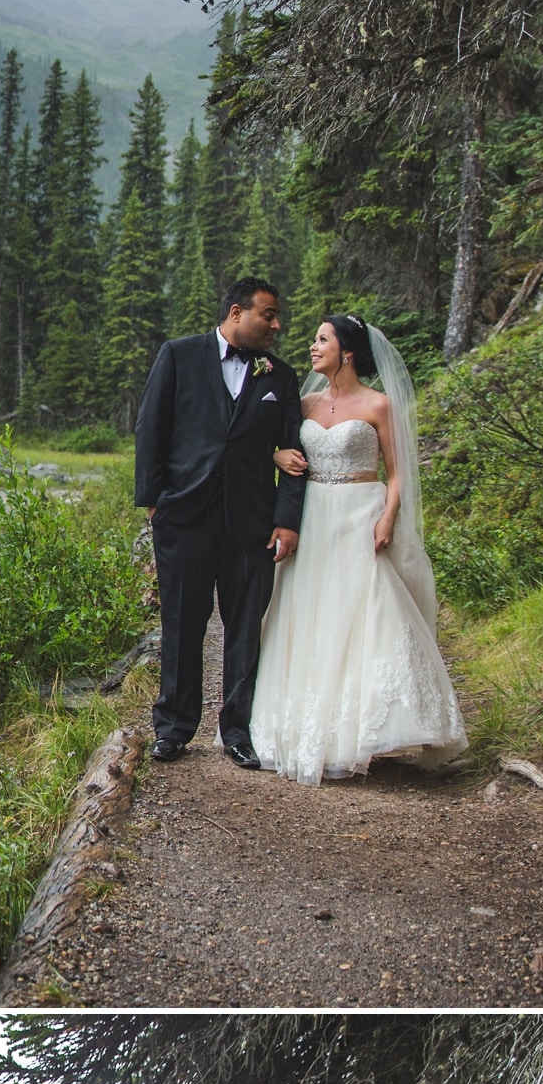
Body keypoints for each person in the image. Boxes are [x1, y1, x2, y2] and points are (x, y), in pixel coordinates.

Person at [248, 310, 467, 782]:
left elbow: (398, 470)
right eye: (313, 339)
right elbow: (265, 443)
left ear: (346, 351)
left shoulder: (378, 405)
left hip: (361, 514)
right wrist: (273, 453)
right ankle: (313, 728)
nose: (312, 346)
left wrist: (389, 515)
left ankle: (378, 727)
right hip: (314, 515)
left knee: (371, 608)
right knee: (310, 611)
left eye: (322, 339)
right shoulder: (304, 404)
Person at [134, 276, 309, 769]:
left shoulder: (280, 375)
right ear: (237, 312)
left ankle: (237, 731)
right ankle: (172, 728)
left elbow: (294, 452)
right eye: (268, 315)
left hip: (251, 523)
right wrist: (153, 502)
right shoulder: (179, 355)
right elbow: (151, 426)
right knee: (182, 625)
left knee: (245, 628)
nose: (277, 324)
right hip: (184, 517)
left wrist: (287, 519)